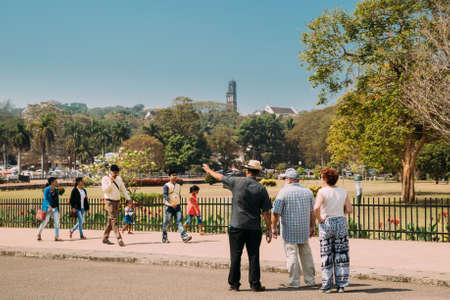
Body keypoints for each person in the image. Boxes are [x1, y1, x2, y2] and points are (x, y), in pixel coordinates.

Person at [203, 160, 272, 292]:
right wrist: (269, 229)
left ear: (247, 171)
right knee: (253, 256)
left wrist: (209, 170)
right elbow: (266, 213)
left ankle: (234, 283)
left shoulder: (237, 182)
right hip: (253, 227)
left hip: (237, 225)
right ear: (258, 173)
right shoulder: (261, 189)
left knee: (235, 255)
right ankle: (255, 284)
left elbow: (219, 177)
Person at [272, 168, 316, 288]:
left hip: (289, 229)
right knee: (306, 254)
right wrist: (312, 225)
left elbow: (276, 212)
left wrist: (273, 227)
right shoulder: (308, 192)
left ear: (289, 179)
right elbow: (312, 212)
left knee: (291, 254)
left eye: (285, 178)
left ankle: (294, 281)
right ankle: (310, 280)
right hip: (303, 228)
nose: (284, 180)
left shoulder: (283, 192)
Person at [314, 168, 352, 293]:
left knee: (326, 254)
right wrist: (342, 213)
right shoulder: (343, 191)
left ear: (325, 178)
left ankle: (327, 284)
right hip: (340, 221)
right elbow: (349, 209)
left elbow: (316, 208)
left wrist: (320, 219)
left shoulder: (322, 192)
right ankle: (341, 284)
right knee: (341, 254)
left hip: (327, 222)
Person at [101, 164, 131, 247]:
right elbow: (105, 190)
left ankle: (105, 238)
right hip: (109, 201)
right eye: (114, 173)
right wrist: (110, 182)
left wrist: (128, 199)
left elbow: (123, 190)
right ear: (111, 171)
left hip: (117, 201)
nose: (116, 174)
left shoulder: (119, 179)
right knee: (114, 219)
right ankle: (119, 238)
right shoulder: (105, 178)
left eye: (117, 173)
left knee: (111, 221)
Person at [162, 172, 192, 243]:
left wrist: (178, 202)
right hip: (169, 207)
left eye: (176, 175)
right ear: (169, 177)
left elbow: (178, 195)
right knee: (166, 223)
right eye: (173, 175)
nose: (175, 177)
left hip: (177, 207)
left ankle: (184, 237)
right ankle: (164, 238)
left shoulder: (178, 185)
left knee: (179, 222)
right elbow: (165, 195)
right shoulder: (166, 185)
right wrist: (171, 203)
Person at [37, 177, 62, 241]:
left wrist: (58, 209)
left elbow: (57, 200)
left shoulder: (56, 190)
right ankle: (38, 233)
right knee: (45, 221)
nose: (56, 182)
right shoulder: (46, 189)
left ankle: (56, 236)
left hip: (55, 208)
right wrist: (48, 206)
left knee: (57, 222)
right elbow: (45, 199)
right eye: (55, 181)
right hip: (48, 208)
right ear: (52, 182)